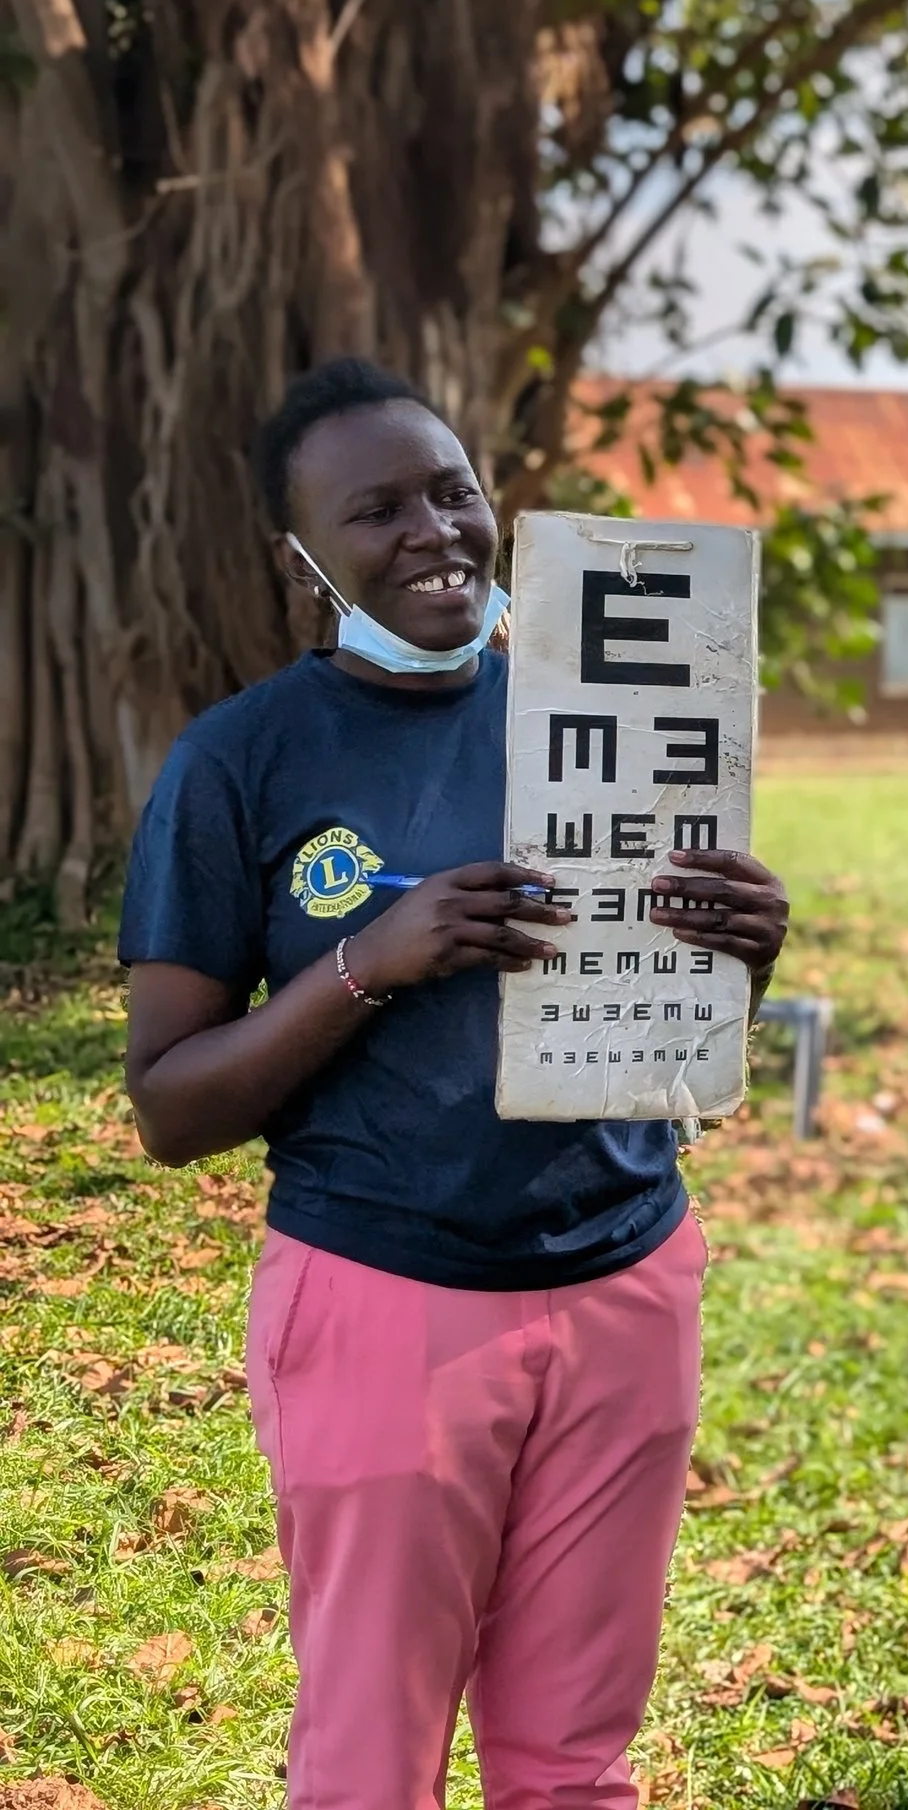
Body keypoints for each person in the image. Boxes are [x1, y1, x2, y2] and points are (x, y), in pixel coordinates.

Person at [119, 358, 790, 1807]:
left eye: (452, 488)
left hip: (624, 1280)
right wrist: (370, 961)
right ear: (302, 556)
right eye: (376, 509)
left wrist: (743, 948)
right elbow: (171, 1104)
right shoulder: (239, 762)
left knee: (574, 1758)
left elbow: (662, 1007)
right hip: (385, 1296)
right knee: (371, 1759)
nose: (433, 530)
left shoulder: (600, 706)